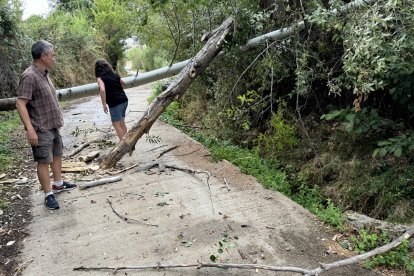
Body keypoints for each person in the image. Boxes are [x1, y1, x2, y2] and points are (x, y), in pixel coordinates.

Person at [16, 40, 77, 210]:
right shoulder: (29, 76)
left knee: (56, 154)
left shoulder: (44, 73)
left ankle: (57, 184)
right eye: (52, 55)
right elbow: (21, 104)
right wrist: (30, 130)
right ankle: (48, 194)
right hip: (40, 127)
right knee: (43, 161)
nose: (54, 58)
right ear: (43, 56)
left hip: (52, 125)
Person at [94, 59, 129, 140]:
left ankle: (124, 144)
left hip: (115, 103)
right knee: (122, 123)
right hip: (124, 100)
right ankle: (128, 141)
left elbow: (102, 90)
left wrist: (104, 104)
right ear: (107, 66)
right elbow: (124, 84)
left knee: (116, 124)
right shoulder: (114, 74)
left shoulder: (100, 78)